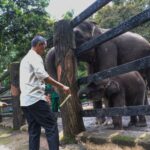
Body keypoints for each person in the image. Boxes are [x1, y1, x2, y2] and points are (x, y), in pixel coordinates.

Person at [19, 35, 70, 150]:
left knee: (34, 131)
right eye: (43, 47)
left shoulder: (25, 59)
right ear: (39, 45)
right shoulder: (35, 57)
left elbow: (31, 81)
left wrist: (43, 95)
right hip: (34, 100)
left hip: (25, 101)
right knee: (51, 126)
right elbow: (44, 76)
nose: (44, 50)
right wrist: (62, 86)